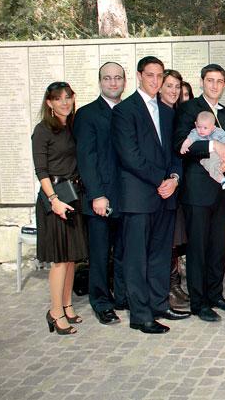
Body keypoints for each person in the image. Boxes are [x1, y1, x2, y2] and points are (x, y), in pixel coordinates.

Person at [112, 57, 187, 334]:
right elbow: (130, 156)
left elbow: (176, 153)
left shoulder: (168, 112)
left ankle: (159, 304)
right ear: (139, 76)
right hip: (139, 197)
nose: (156, 81)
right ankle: (140, 315)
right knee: (137, 258)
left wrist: (174, 179)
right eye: (151, 75)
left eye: (159, 76)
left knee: (159, 255)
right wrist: (161, 180)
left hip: (166, 196)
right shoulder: (125, 111)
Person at [174, 64, 225, 322]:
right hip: (197, 191)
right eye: (210, 80)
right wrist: (212, 145)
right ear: (202, 82)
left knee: (217, 246)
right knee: (198, 248)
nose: (215, 85)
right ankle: (198, 302)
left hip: (222, 191)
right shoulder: (188, 109)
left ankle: (215, 295)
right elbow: (181, 144)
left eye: (220, 81)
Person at [33, 81, 88, 335]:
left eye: (68, 97)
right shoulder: (43, 130)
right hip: (55, 197)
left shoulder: (73, 127)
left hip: (73, 195)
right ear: (49, 103)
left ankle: (66, 305)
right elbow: (41, 171)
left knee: (71, 259)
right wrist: (54, 200)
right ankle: (54, 312)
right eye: (58, 98)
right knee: (59, 260)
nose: (64, 102)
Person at [73, 63, 126, 326]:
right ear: (100, 82)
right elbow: (87, 159)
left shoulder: (129, 111)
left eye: (118, 78)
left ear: (125, 82)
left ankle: (120, 297)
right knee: (100, 253)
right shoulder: (87, 115)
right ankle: (101, 302)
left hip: (127, 197)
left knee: (122, 252)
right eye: (108, 78)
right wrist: (96, 195)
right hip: (100, 198)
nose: (113, 83)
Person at [159, 69, 189, 307]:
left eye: (177, 87)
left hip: (177, 185)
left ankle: (174, 285)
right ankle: (166, 289)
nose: (173, 91)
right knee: (165, 240)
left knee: (174, 240)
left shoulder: (177, 115)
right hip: (159, 187)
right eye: (169, 86)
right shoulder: (156, 113)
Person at [180, 111, 225, 188]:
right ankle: (222, 179)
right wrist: (184, 146)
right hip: (209, 156)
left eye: (205, 128)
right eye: (199, 127)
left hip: (223, 154)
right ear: (196, 124)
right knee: (211, 165)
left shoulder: (218, 131)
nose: (201, 130)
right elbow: (188, 140)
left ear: (213, 127)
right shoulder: (195, 133)